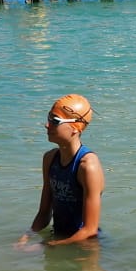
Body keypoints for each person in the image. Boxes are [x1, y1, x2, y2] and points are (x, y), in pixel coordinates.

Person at [29, 93, 104, 244]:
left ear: (75, 128)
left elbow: (90, 230)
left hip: (86, 246)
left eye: (55, 121)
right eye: (49, 117)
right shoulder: (49, 159)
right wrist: (26, 237)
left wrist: (48, 246)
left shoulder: (88, 166)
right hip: (58, 240)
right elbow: (44, 214)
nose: (47, 124)